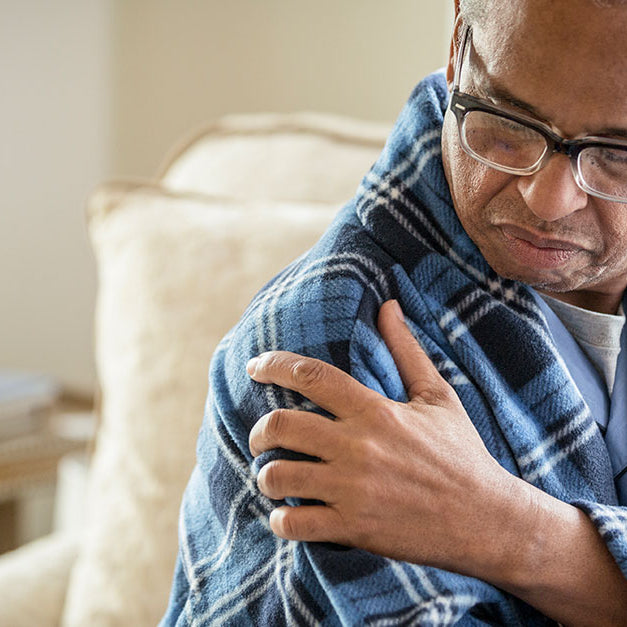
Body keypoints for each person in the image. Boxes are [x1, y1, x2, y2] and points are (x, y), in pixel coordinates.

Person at [161, 0, 627, 624]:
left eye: (616, 155)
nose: (547, 199)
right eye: (508, 123)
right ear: (459, 40)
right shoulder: (331, 346)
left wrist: (514, 532)